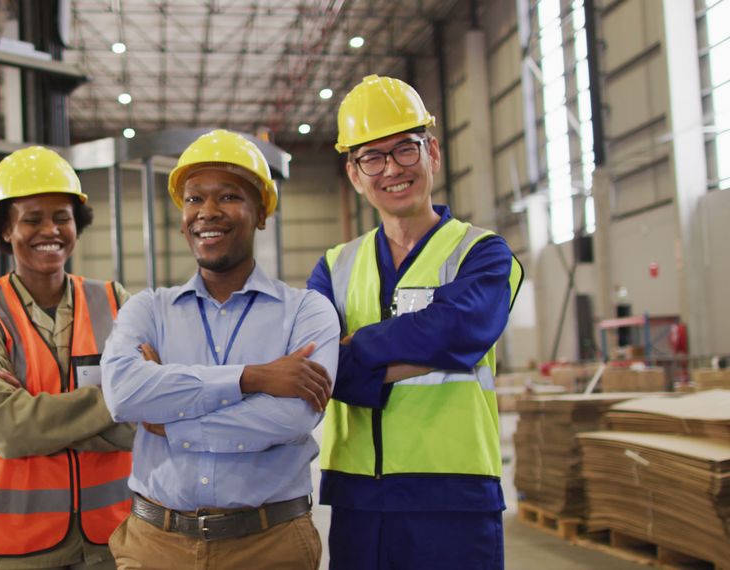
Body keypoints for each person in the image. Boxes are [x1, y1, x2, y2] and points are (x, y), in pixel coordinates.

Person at [309, 75, 523, 569]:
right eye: (372, 158)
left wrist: (357, 344)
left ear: (433, 153)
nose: (392, 169)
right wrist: (420, 353)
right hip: (359, 498)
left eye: (405, 150)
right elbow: (317, 362)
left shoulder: (484, 253)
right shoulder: (334, 265)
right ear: (354, 174)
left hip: (455, 495)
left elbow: (459, 330)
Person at [100, 129, 339, 569]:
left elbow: (291, 418)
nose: (207, 212)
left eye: (229, 196)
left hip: (269, 545)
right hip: (156, 545)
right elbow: (123, 395)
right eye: (193, 199)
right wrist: (253, 378)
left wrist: (168, 420)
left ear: (261, 212)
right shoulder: (147, 310)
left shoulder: (307, 311)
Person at [0, 146, 135, 570]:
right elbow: (9, 430)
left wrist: (39, 418)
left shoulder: (114, 302)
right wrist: (116, 402)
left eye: (62, 217)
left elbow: (148, 418)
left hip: (111, 543)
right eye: (32, 218)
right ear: (5, 229)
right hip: (11, 550)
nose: (49, 230)